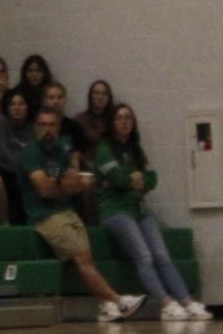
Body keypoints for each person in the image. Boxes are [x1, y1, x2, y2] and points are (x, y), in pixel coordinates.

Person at [21, 107, 142, 322]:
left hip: (67, 211)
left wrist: (60, 184)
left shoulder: (60, 151)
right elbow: (43, 190)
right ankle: (119, 301)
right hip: (46, 216)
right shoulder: (31, 153)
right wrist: (64, 185)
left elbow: (78, 184)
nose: (48, 130)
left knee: (87, 260)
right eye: (43, 125)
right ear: (35, 128)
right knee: (83, 260)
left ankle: (105, 306)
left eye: (53, 125)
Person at [94, 105, 210, 320]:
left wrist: (135, 180)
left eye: (128, 117)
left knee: (162, 256)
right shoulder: (104, 149)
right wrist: (132, 179)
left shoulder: (135, 148)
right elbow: (119, 179)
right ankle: (166, 304)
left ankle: (186, 302)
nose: (124, 122)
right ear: (111, 122)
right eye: (119, 118)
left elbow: (151, 178)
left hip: (138, 210)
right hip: (115, 211)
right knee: (144, 257)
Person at [0, 88, 36, 223]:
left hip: (27, 172)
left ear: (28, 107)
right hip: (6, 170)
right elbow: (2, 154)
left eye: (21, 104)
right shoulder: (1, 122)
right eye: (12, 104)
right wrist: (23, 168)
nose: (17, 108)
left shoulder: (33, 127)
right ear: (7, 107)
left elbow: (35, 154)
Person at [78, 80, 115, 146]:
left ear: (109, 97)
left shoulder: (115, 120)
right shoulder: (80, 120)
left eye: (104, 93)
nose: (100, 97)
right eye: (96, 93)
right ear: (90, 96)